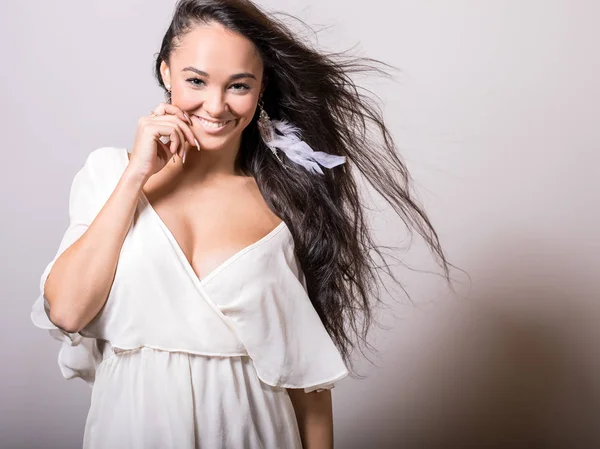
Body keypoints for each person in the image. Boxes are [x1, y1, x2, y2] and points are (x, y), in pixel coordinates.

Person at [31, 0, 454, 448]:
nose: (215, 106)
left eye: (238, 86)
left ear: (261, 87)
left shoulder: (285, 206)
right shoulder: (109, 175)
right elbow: (68, 311)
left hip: (254, 430)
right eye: (196, 80)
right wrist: (137, 175)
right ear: (166, 73)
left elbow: (308, 385)